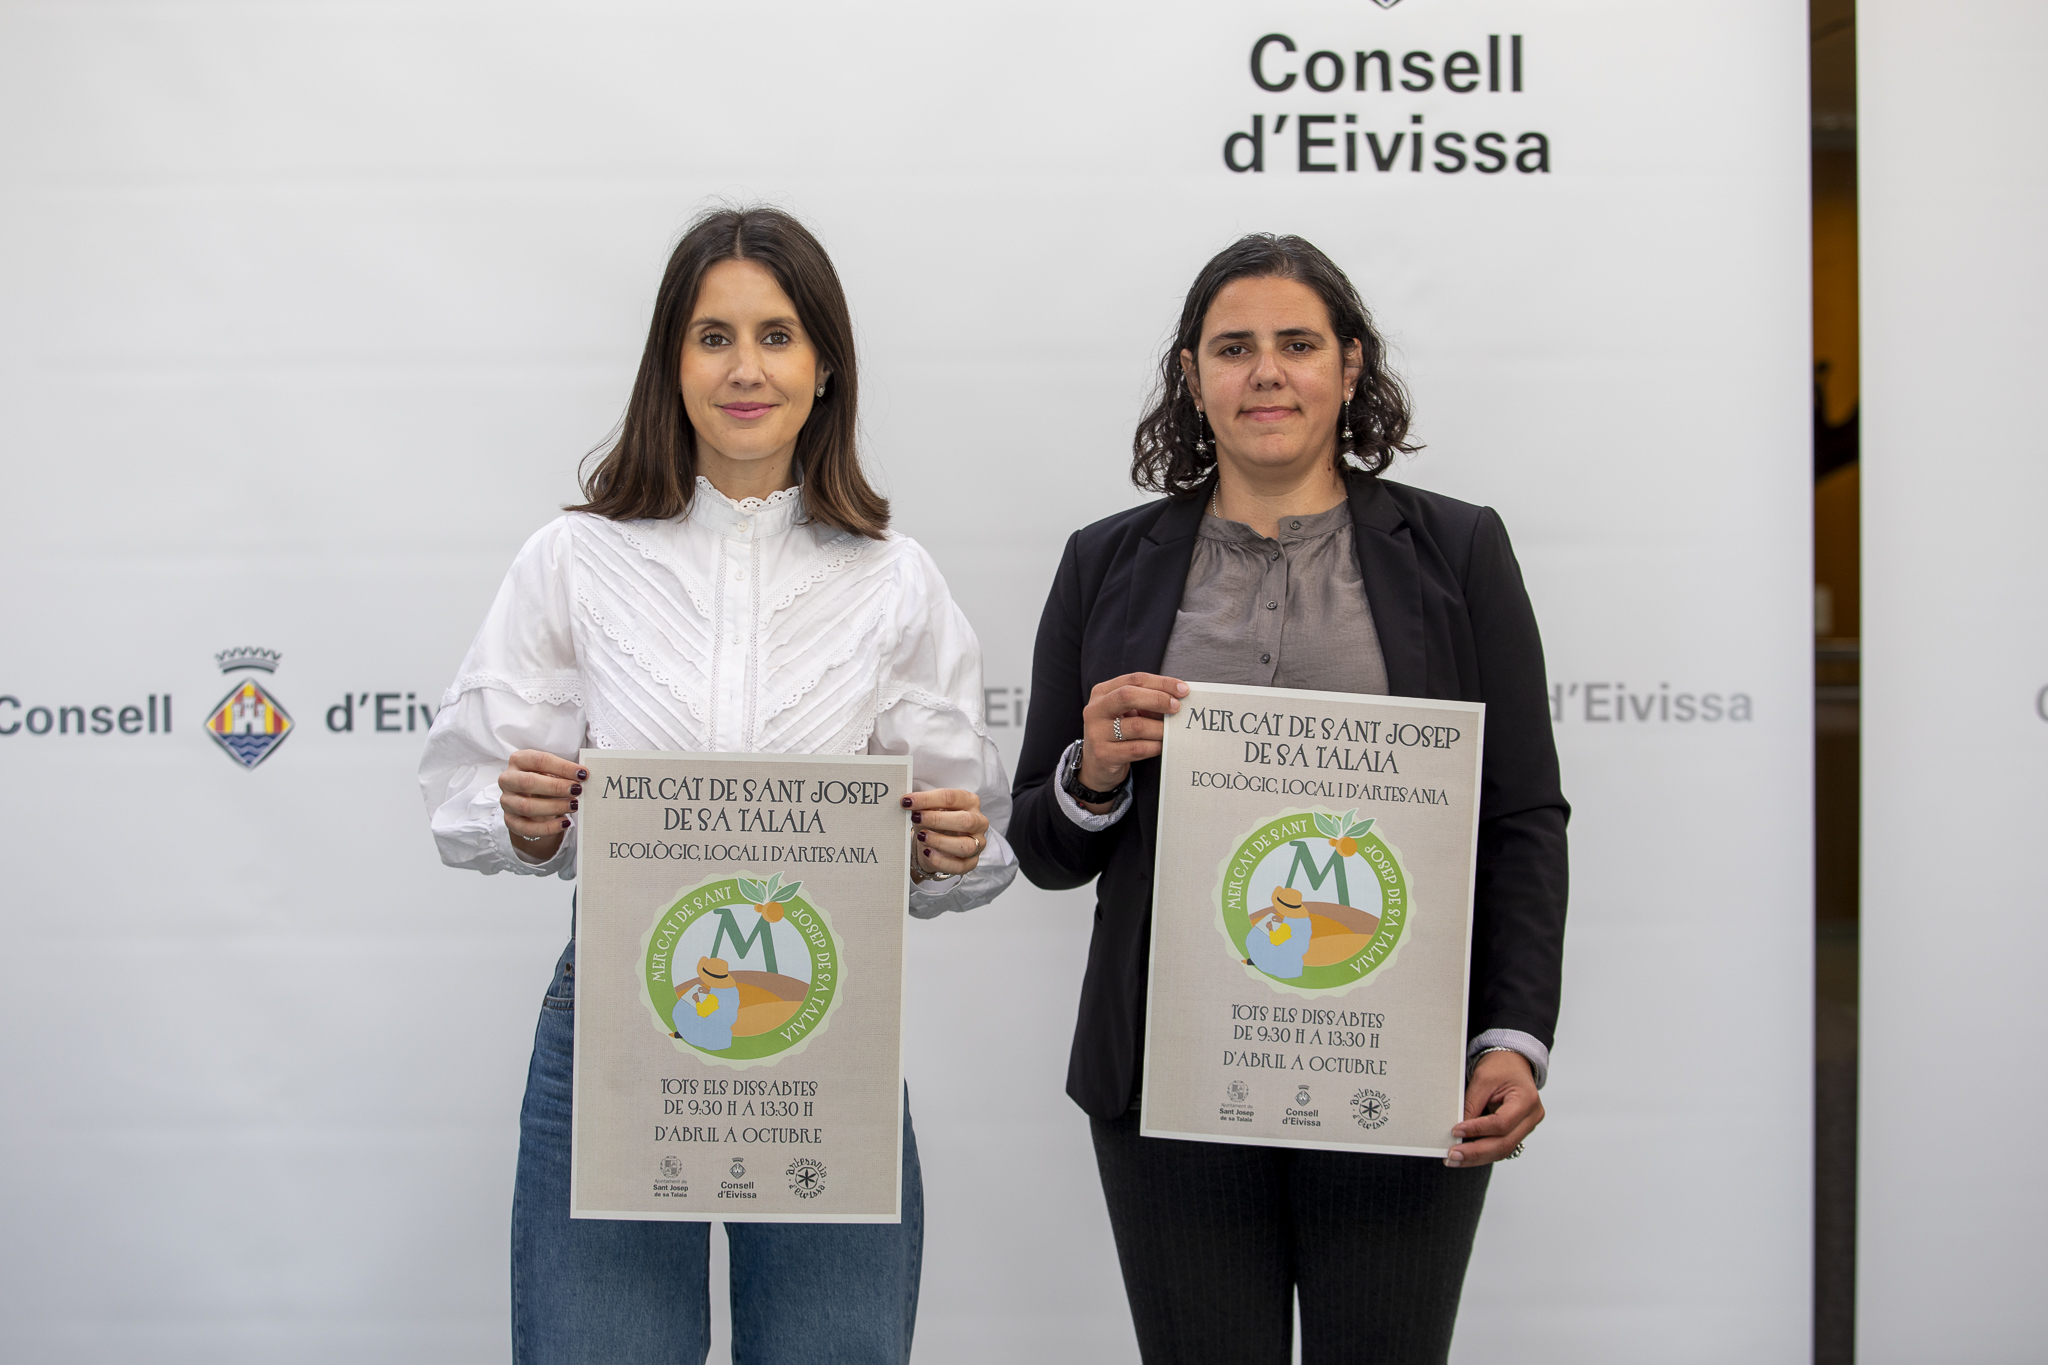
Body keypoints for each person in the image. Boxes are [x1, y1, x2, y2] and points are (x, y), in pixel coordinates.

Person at [418, 206, 1016, 1364]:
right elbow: (471, 794)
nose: (746, 368)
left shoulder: (895, 581)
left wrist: (942, 844)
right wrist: (523, 820)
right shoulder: (572, 559)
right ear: (671, 363)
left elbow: (966, 834)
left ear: (825, 365)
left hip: (823, 1026)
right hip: (616, 1021)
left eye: (776, 335)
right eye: (713, 337)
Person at [1007, 233, 1568, 1364]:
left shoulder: (1459, 550)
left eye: (1297, 344)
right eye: (1232, 348)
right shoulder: (1103, 563)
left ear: (1350, 365)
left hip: (1403, 1066)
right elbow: (1043, 846)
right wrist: (1092, 772)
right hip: (1167, 1081)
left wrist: (1510, 1038)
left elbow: (1517, 818)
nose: (1265, 373)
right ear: (1190, 373)